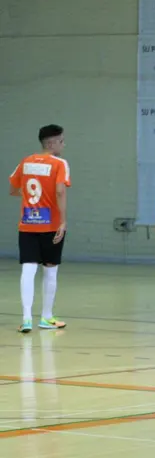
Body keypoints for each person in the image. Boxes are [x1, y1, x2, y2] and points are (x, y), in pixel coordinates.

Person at [8, 125, 71, 333]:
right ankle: (46, 317)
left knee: (28, 268)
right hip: (51, 224)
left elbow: (13, 189)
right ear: (51, 143)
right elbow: (60, 192)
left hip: (28, 224)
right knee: (50, 269)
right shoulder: (60, 163)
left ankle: (26, 319)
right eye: (61, 141)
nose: (64, 144)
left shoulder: (25, 162)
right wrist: (63, 221)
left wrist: (31, 197)